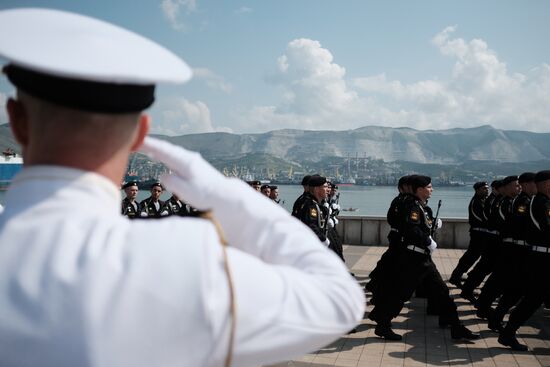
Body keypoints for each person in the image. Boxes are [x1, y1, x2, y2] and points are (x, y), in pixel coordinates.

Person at [0, 8, 365, 367]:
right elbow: (339, 301)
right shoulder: (185, 262)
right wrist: (234, 200)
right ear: (141, 133)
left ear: (15, 120)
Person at [368, 175, 478, 341]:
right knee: (401, 293)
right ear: (419, 189)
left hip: (422, 258)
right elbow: (411, 229)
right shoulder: (412, 205)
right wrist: (427, 241)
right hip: (414, 258)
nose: (431, 190)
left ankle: (456, 327)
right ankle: (382, 323)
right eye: (429, 187)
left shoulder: (419, 206)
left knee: (441, 291)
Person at [498, 170, 550, 351]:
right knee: (533, 298)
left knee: (532, 296)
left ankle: (507, 329)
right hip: (542, 258)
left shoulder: (541, 201)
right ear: (545, 184)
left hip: (541, 255)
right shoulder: (540, 203)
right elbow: (546, 228)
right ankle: (508, 331)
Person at [448, 181, 489, 287]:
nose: (487, 190)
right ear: (478, 190)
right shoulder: (476, 202)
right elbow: (482, 218)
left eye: (487, 188)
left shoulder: (483, 200)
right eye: (484, 188)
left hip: (482, 234)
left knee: (479, 257)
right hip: (477, 233)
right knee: (471, 256)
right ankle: (456, 276)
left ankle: (467, 275)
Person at [296, 175, 330, 246]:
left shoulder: (316, 204)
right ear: (316, 189)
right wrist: (323, 239)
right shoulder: (311, 205)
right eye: (325, 187)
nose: (328, 189)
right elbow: (311, 226)